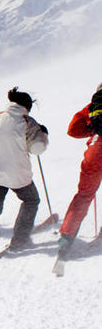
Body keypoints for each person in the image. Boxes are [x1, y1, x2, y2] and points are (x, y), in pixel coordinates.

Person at [0, 87, 49, 261]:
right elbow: (37, 149)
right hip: (18, 174)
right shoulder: (28, 122)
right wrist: (43, 135)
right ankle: (20, 239)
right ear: (26, 106)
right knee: (31, 200)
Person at [56, 83, 102, 259]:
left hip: (95, 151)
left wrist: (92, 130)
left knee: (84, 195)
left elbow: (72, 130)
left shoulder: (91, 107)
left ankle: (66, 239)